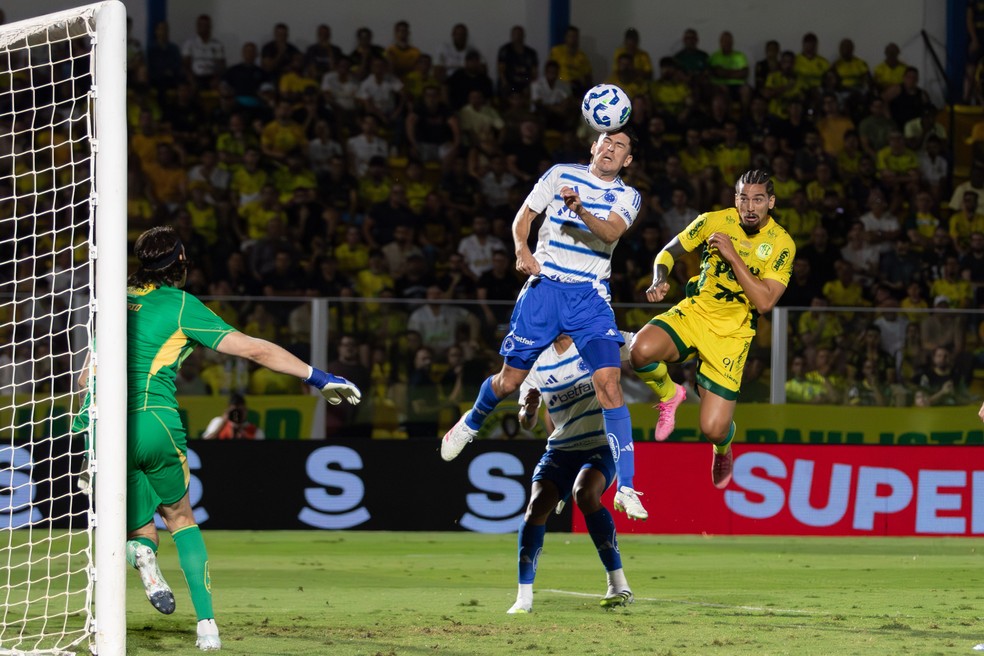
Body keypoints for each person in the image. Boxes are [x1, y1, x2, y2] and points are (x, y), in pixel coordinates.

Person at [100, 226, 361, 650]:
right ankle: (206, 626)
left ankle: (141, 559)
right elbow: (254, 349)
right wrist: (319, 377)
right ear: (180, 263)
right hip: (155, 422)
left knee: (137, 528)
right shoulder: (182, 305)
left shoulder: (112, 303)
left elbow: (84, 373)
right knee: (181, 518)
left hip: (108, 426)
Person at [440, 126, 647, 520]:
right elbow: (524, 218)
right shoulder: (559, 174)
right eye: (606, 141)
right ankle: (472, 421)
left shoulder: (628, 196)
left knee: (609, 382)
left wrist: (580, 208)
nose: (611, 148)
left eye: (620, 146)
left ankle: (629, 487)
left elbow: (611, 232)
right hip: (545, 290)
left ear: (627, 161)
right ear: (593, 145)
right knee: (510, 382)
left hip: (590, 296)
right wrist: (520, 248)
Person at [629, 170, 795, 489]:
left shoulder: (782, 244)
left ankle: (723, 449)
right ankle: (671, 394)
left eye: (758, 199)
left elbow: (764, 302)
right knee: (639, 351)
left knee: (713, 429)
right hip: (695, 313)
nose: (749, 206)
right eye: (743, 198)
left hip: (732, 335)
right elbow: (668, 252)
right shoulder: (714, 221)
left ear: (770, 203)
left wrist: (733, 256)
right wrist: (660, 278)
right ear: (735, 199)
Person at [506, 334, 635, 615]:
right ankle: (523, 598)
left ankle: (618, 583)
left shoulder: (595, 340)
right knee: (536, 506)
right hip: (561, 447)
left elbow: (642, 348)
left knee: (584, 493)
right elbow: (526, 423)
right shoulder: (536, 362)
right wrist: (528, 410)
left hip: (601, 442)